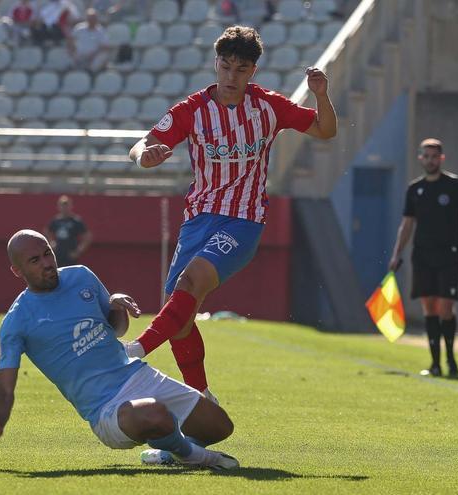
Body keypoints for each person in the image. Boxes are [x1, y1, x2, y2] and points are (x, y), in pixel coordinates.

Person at [124, 26, 337, 399]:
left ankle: (134, 351)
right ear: (216, 64)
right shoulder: (192, 109)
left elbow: (324, 131)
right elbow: (142, 144)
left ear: (252, 71)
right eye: (226, 67)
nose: (231, 77)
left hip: (244, 220)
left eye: (241, 69)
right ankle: (202, 399)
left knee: (190, 284)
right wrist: (146, 156)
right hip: (198, 219)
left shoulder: (269, 106)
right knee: (179, 316)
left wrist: (322, 96)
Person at [0, 230, 239, 470]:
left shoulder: (81, 276)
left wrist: (116, 304)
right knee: (156, 414)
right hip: (106, 408)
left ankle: (167, 451)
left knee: (220, 425)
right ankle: (193, 456)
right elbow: (3, 389)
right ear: (17, 271)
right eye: (35, 261)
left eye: (47, 253)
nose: (47, 263)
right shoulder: (16, 322)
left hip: (139, 375)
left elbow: (116, 328)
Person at [387, 138, 458, 378]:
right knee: (428, 306)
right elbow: (407, 224)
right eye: (426, 156)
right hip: (422, 254)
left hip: (448, 253)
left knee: (446, 306)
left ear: (441, 158)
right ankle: (435, 363)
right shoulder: (415, 189)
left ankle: (451, 360)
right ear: (420, 158)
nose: (430, 160)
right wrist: (397, 253)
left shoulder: (454, 186)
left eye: (434, 156)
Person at [45, 195, 91, 267]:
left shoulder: (76, 221)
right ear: (58, 207)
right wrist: (51, 243)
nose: (64, 208)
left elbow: (87, 237)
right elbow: (47, 232)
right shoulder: (56, 220)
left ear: (71, 206)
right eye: (62, 205)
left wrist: (78, 251)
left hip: (70, 254)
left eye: (66, 205)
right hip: (58, 254)